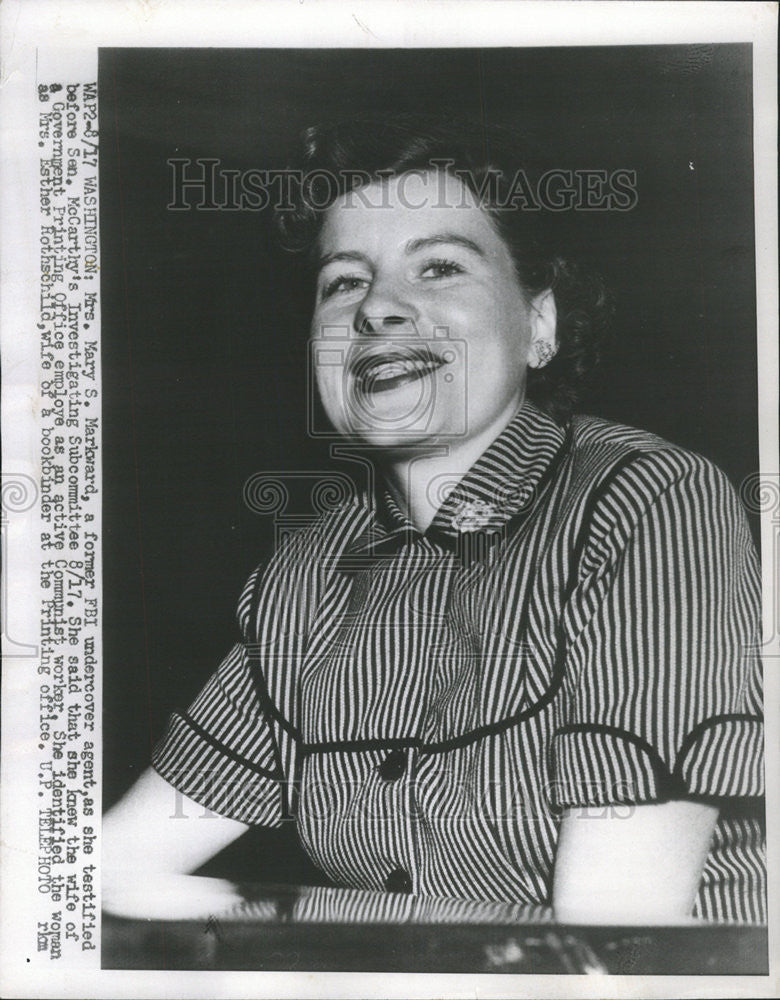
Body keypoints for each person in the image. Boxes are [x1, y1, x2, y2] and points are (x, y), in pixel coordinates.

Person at [104, 117, 765, 925]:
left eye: (441, 267)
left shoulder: (647, 501)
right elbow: (103, 875)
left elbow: (615, 938)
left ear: (542, 326)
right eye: (344, 281)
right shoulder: (302, 576)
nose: (380, 307)